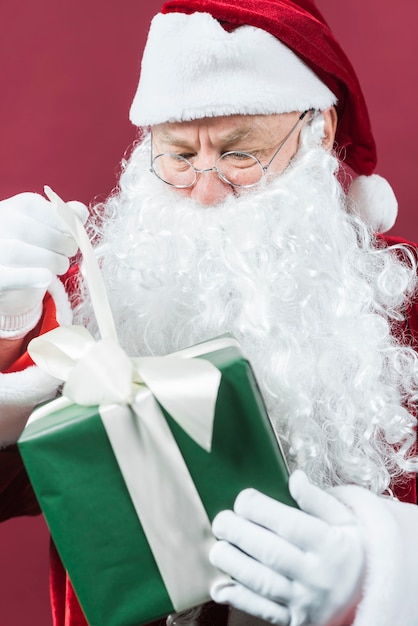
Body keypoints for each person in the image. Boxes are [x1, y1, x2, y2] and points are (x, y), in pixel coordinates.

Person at [1, 0, 418, 625]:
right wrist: (5, 334)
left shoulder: (399, 302)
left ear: (320, 130)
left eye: (238, 153)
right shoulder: (102, 291)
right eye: (176, 154)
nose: (203, 188)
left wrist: (384, 575)